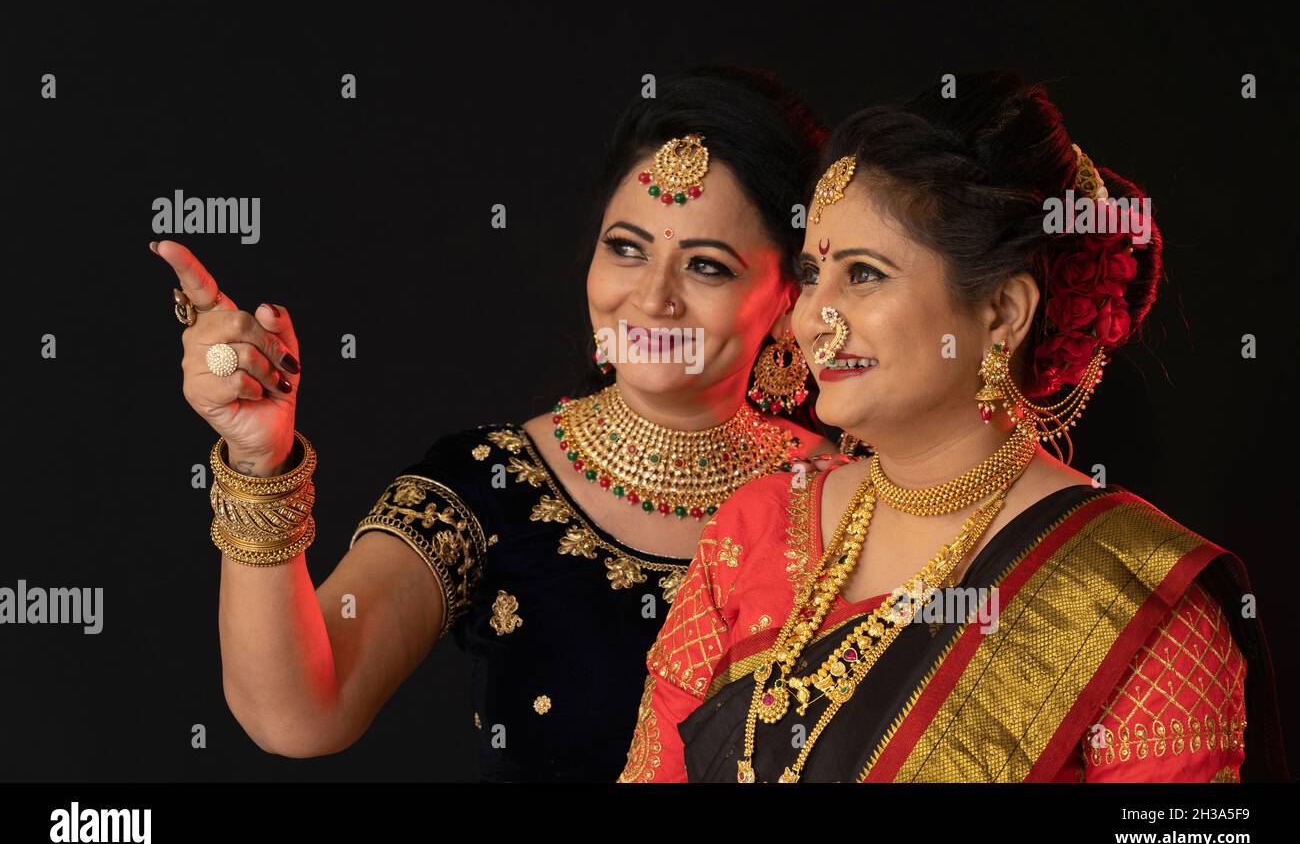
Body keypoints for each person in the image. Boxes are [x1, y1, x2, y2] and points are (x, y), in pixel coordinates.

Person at [151, 65, 845, 781]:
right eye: (627, 248)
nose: (651, 297)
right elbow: (297, 714)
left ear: (791, 292)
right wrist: (260, 465)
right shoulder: (488, 484)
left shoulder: (854, 497)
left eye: (705, 265)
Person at [620, 71, 1290, 783]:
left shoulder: (1138, 600)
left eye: (866, 275)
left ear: (1003, 312)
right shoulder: (753, 530)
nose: (814, 317)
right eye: (814, 273)